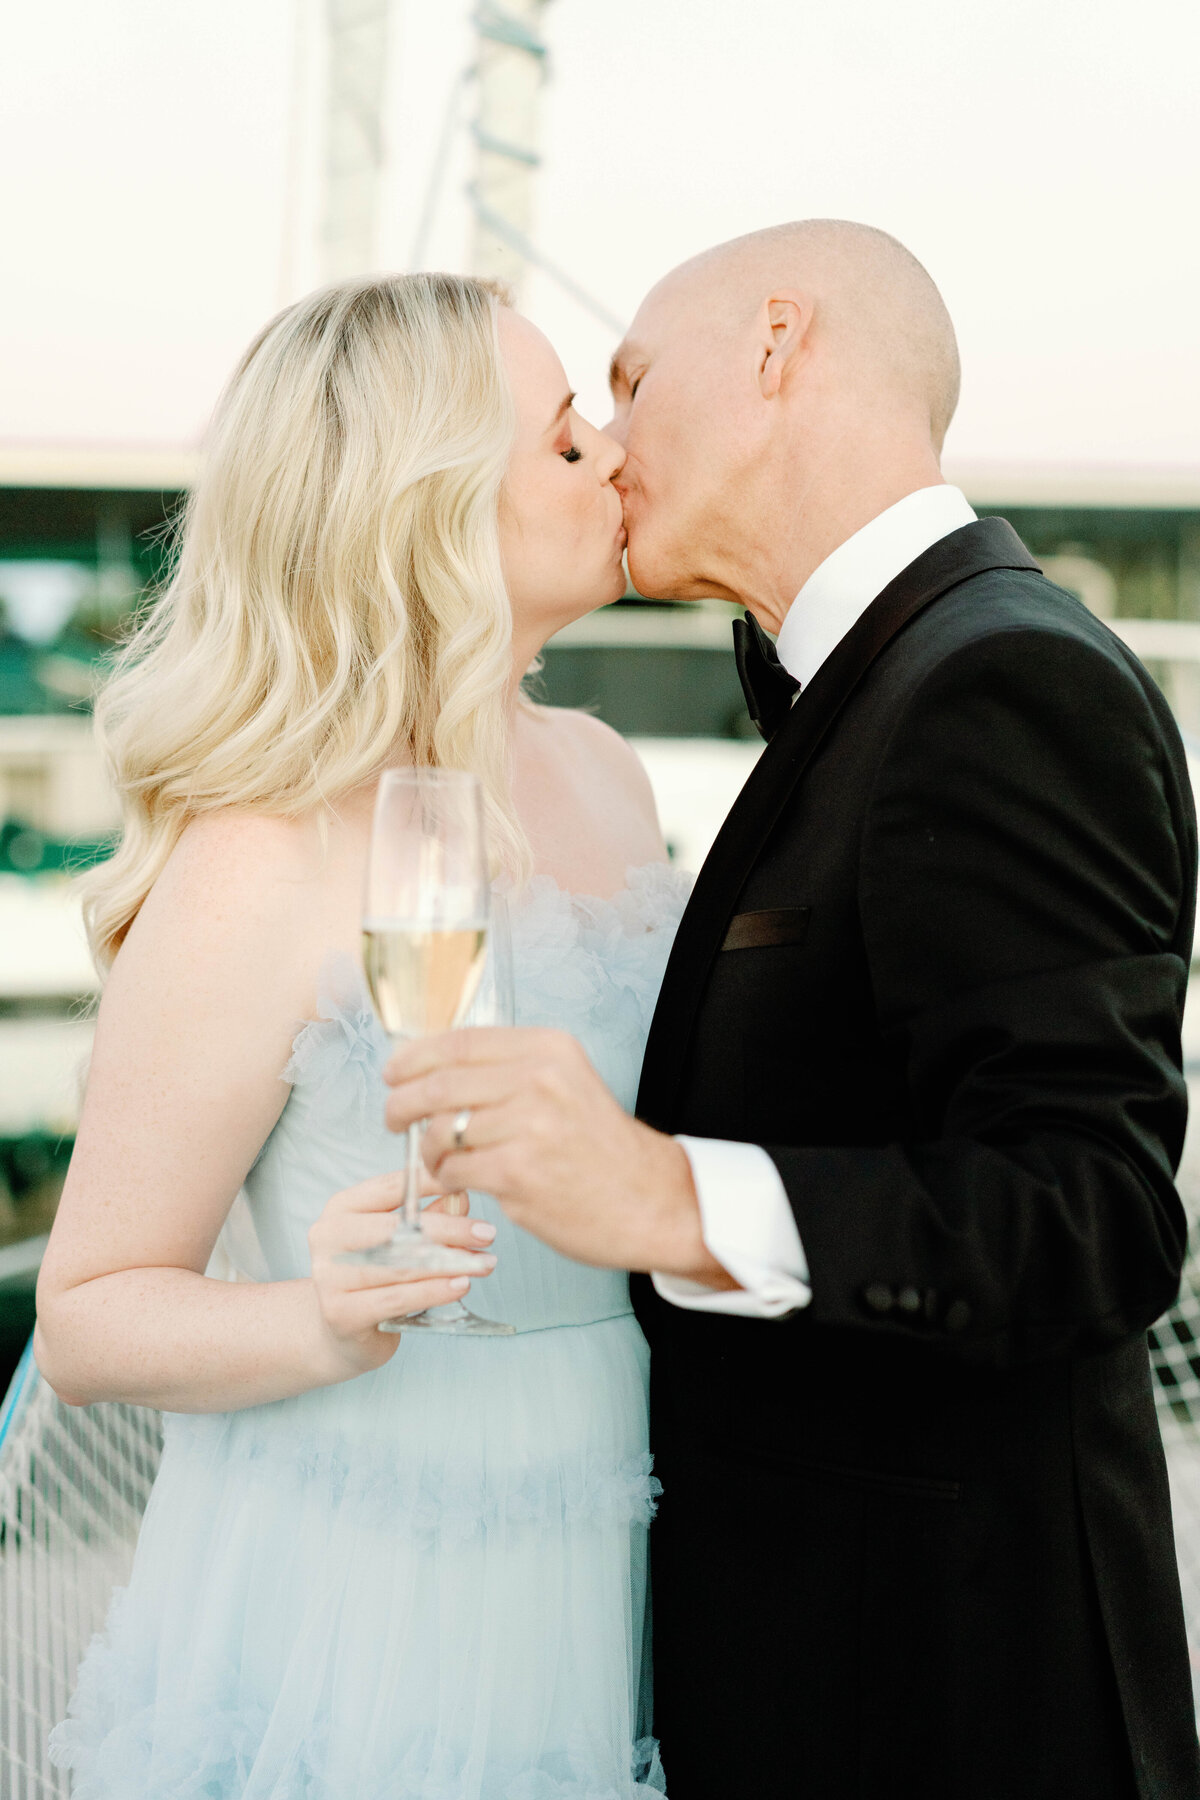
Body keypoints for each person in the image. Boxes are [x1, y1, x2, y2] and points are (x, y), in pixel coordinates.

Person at [390, 222, 1200, 1799]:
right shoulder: (875, 683)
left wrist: (663, 1193)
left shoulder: (999, 683)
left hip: (954, 1707)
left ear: (776, 346)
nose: (608, 444)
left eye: (629, 380)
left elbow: (1093, 1213)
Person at [34, 273, 687, 1797]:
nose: (615, 454)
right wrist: (318, 1320)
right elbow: (85, 1313)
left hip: (613, 1513)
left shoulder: (605, 774)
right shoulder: (263, 848)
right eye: (564, 438)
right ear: (433, 503)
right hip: (358, 1563)